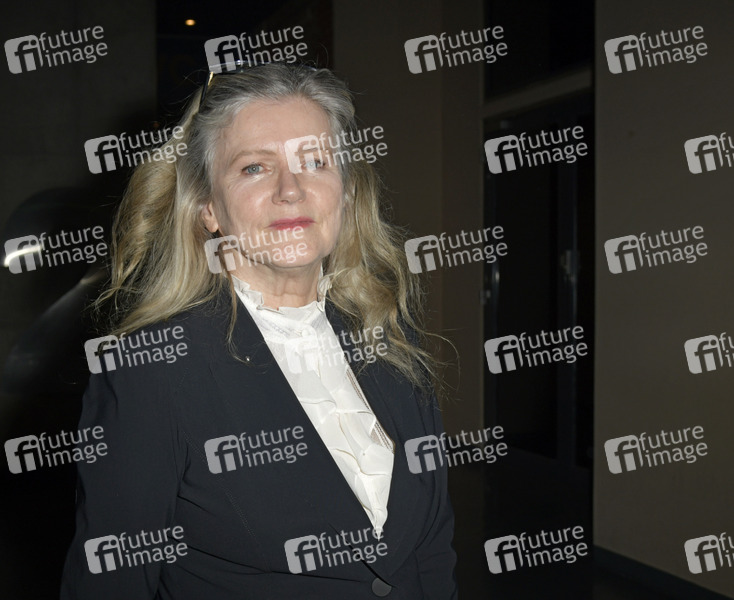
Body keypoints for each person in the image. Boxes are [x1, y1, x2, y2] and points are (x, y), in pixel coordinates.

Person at [60, 63, 457, 599]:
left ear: (345, 192)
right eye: (254, 167)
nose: (291, 190)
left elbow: (432, 548)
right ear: (208, 209)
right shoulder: (151, 367)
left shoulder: (387, 328)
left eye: (314, 162)